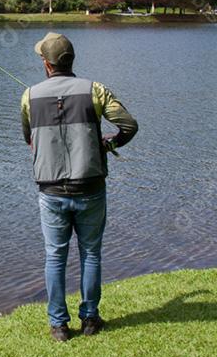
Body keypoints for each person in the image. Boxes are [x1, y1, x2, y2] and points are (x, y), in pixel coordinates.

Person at [20, 32, 138, 341]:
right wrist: (108, 144)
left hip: (51, 191)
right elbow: (128, 125)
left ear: (46, 64)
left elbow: (28, 139)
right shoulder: (95, 90)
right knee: (91, 254)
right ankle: (90, 320)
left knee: (54, 257)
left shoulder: (29, 95)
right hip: (91, 188)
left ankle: (59, 326)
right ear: (71, 60)